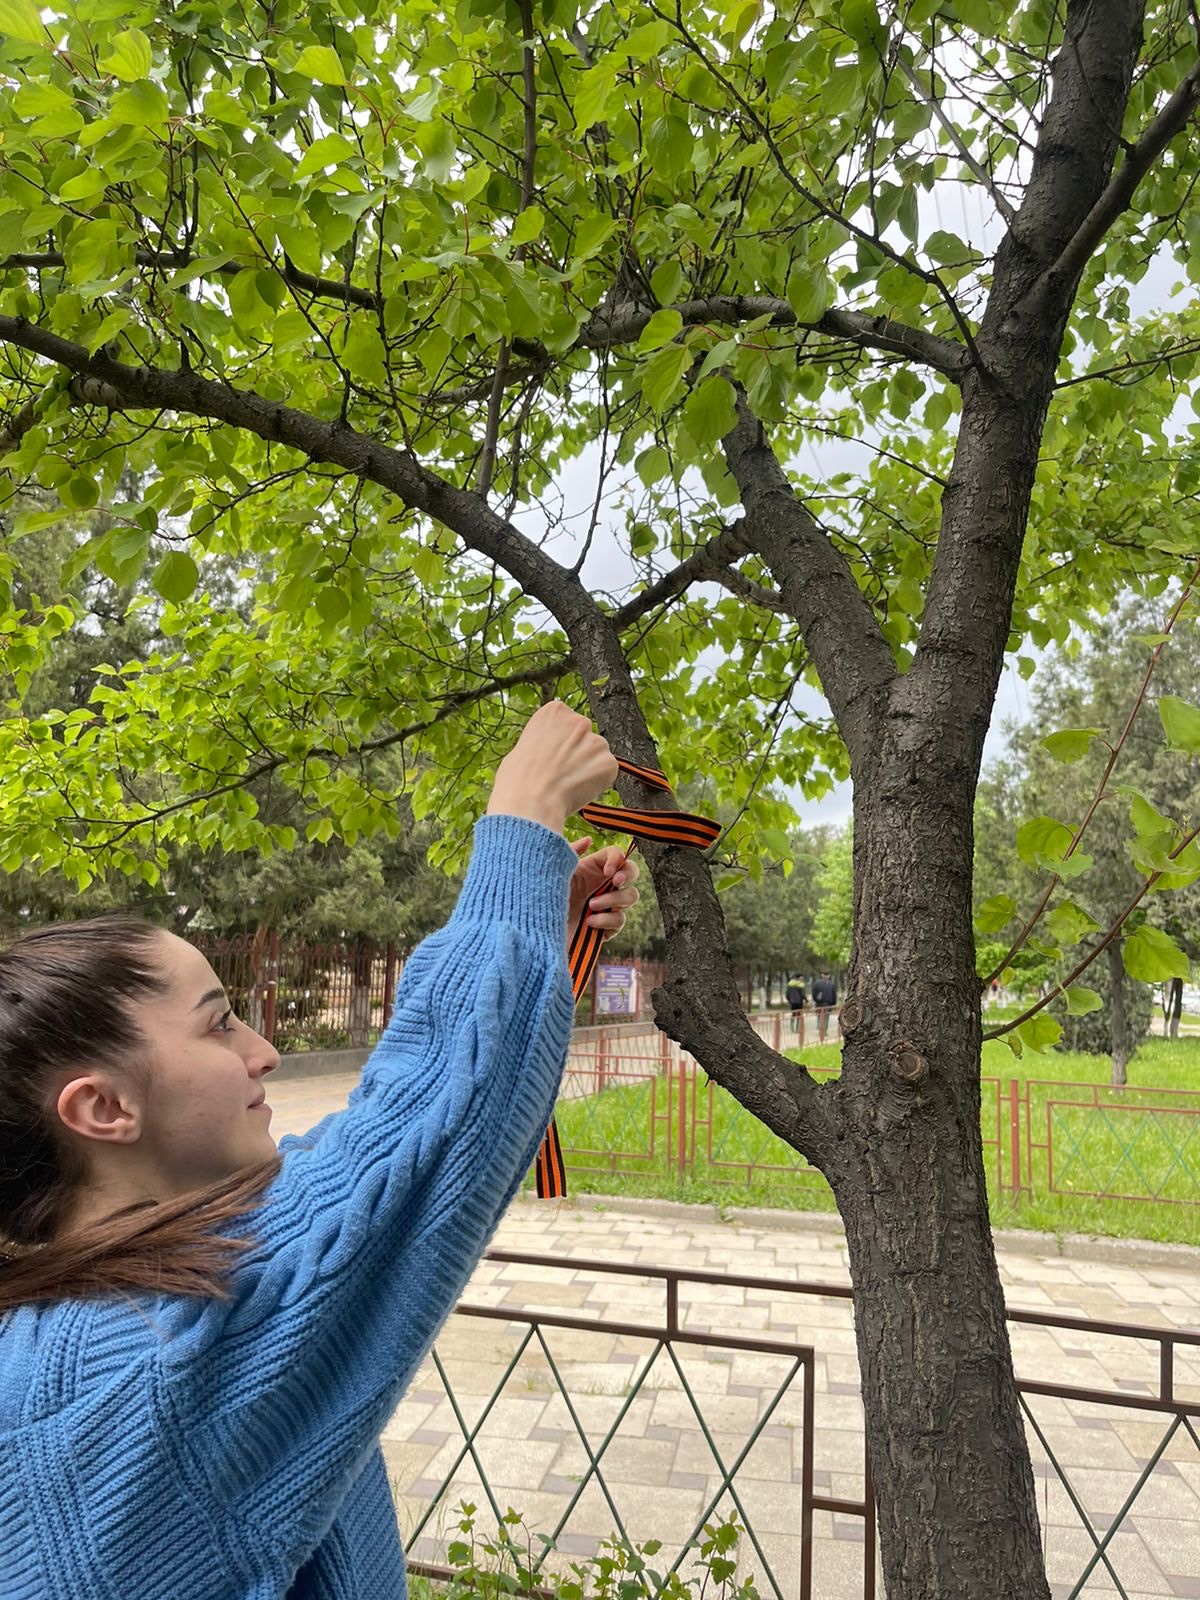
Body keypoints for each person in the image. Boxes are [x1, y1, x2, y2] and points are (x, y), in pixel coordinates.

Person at [0, 703, 640, 1600]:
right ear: (103, 1107)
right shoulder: (152, 1352)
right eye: (218, 1023)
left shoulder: (68, 1322)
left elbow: (384, 1151)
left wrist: (536, 911)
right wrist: (524, 812)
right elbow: (425, 1129)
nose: (262, 1050)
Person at [811, 969, 838, 1043]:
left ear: (821, 975)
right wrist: (834, 1003)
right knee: (826, 1018)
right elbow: (834, 995)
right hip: (828, 1004)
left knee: (819, 1017)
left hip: (819, 1003)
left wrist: (816, 1000)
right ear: (829, 975)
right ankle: (825, 1031)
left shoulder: (816, 983)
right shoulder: (831, 984)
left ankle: (820, 1030)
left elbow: (813, 993)